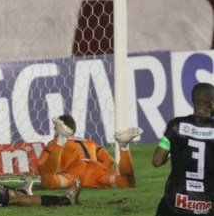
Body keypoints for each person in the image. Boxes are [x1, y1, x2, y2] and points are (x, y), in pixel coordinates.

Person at [152, 82, 214, 216]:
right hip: (206, 207)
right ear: (212, 103)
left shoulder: (175, 126)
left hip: (174, 205)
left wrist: (174, 153)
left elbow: (157, 161)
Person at [38, 115, 143, 189]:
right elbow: (109, 160)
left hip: (74, 172)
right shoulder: (89, 142)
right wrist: (101, 173)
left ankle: (62, 140)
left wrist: (56, 172)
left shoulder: (54, 142)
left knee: (48, 182)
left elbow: (41, 165)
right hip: (95, 169)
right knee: (127, 183)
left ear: (58, 129)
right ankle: (124, 146)